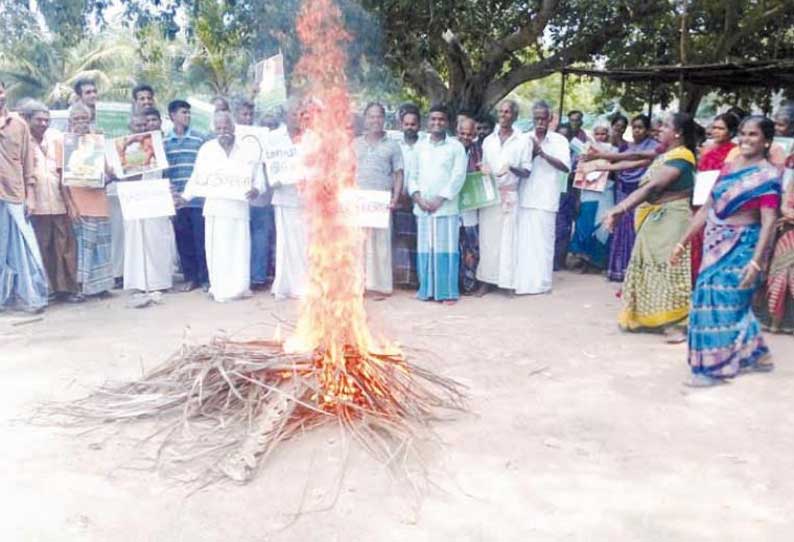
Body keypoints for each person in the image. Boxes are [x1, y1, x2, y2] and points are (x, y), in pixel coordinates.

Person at [671, 116, 780, 386]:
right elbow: (708, 207)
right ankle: (758, 355)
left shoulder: (768, 176)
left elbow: (768, 222)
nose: (745, 139)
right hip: (714, 243)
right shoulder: (729, 167)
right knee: (711, 300)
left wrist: (756, 263)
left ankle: (713, 370)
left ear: (766, 140)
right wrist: (682, 241)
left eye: (753, 134)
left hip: (744, 247)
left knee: (724, 305)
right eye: (743, 133)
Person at [603, 113, 698, 335]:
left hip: (672, 218)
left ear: (678, 133)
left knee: (668, 267)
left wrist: (619, 209)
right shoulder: (667, 154)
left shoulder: (683, 156)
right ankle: (647, 319)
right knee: (648, 266)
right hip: (654, 217)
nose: (659, 130)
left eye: (665, 126)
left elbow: (652, 187)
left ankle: (676, 323)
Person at [181, 111, 264, 302]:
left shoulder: (247, 149)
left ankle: (240, 288)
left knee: (239, 249)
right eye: (218, 128)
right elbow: (197, 177)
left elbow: (258, 175)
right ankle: (218, 288)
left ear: (233, 127)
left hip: (238, 207)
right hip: (215, 208)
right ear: (213, 130)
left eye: (226, 127)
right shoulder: (206, 149)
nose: (223, 131)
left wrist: (257, 189)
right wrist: (185, 197)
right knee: (217, 250)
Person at [407, 104, 467, 304]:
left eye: (441, 119)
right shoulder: (419, 146)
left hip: (446, 208)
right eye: (433, 119)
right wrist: (419, 198)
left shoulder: (456, 147)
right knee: (426, 249)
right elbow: (411, 176)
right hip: (423, 208)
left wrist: (439, 199)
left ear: (447, 122)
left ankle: (447, 292)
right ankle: (427, 290)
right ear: (428, 121)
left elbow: (458, 177)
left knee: (447, 250)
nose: (436, 123)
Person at [23, 100, 81, 303]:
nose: (43, 123)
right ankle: (48, 290)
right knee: (42, 248)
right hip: (35, 206)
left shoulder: (55, 139)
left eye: (46, 120)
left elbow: (64, 173)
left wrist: (70, 204)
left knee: (65, 248)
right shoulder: (23, 142)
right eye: (38, 119)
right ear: (27, 119)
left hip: (58, 202)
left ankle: (68, 289)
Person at [592, 115, 659, 281]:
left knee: (637, 230)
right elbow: (621, 165)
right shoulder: (626, 147)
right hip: (623, 191)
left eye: (641, 127)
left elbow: (635, 161)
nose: (637, 131)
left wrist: (602, 160)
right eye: (634, 127)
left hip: (642, 194)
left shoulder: (654, 147)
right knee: (620, 229)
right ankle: (618, 269)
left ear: (648, 130)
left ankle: (635, 272)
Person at [0, 83, 48, 313]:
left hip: (15, 196)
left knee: (26, 249)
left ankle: (32, 297)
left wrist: (31, 196)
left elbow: (29, 163)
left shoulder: (18, 125)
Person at [475, 100, 532, 295]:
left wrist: (511, 167)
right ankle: (486, 281)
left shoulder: (523, 140)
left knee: (508, 239)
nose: (504, 115)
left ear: (515, 116)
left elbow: (526, 171)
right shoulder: (488, 140)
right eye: (501, 112)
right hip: (489, 195)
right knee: (487, 239)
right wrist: (482, 169)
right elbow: (482, 165)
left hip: (510, 194)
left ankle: (507, 283)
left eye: (508, 112)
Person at [514, 101, 570, 294]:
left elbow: (565, 167)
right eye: (536, 119)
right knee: (524, 244)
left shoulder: (559, 141)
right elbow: (519, 168)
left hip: (546, 200)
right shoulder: (523, 139)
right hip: (524, 198)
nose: (540, 122)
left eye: (543, 119)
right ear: (532, 119)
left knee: (544, 244)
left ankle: (542, 284)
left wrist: (542, 154)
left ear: (550, 119)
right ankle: (524, 284)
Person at [120, 110, 176, 293]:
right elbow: (123, 178)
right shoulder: (123, 148)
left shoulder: (156, 145)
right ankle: (138, 283)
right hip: (135, 200)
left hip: (155, 200)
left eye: (145, 125)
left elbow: (166, 173)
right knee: (136, 241)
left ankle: (160, 282)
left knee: (157, 240)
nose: (142, 128)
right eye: (138, 126)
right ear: (130, 127)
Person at [63, 102, 114, 298]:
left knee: (100, 248)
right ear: (70, 122)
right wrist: (70, 204)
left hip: (98, 202)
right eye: (77, 119)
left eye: (84, 119)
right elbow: (62, 180)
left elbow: (108, 172)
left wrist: (107, 176)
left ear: (90, 120)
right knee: (82, 250)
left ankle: (100, 287)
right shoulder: (65, 144)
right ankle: (82, 288)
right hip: (79, 204)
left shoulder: (97, 143)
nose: (81, 123)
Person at [353, 102, 404, 297]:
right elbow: (346, 170)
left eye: (379, 116)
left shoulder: (392, 145)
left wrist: (395, 198)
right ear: (365, 119)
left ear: (384, 119)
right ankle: (358, 286)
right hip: (359, 201)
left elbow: (399, 174)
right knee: (358, 245)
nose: (375, 120)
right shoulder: (355, 144)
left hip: (381, 201)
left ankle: (381, 287)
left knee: (381, 246)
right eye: (371, 116)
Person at [164, 99, 208, 292]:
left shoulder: (200, 139)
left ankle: (206, 278)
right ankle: (191, 278)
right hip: (177, 200)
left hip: (198, 199)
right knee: (184, 240)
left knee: (202, 240)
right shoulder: (164, 142)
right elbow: (164, 172)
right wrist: (171, 193)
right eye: (183, 112)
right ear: (172, 116)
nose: (187, 116)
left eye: (189, 113)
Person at [690, 113, 738, 285]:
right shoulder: (707, 148)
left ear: (731, 132)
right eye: (714, 127)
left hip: (719, 202)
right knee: (695, 240)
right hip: (700, 199)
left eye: (721, 128)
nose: (715, 131)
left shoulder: (735, 151)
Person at [270, 99, 310, 300]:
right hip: (283, 197)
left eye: (301, 114)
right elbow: (267, 165)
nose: (297, 118)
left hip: (307, 199)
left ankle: (305, 285)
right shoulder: (274, 138)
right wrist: (272, 180)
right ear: (286, 116)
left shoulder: (313, 138)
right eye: (293, 114)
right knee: (285, 244)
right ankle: (284, 286)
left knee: (305, 243)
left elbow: (318, 166)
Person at [569, 121, 616, 272]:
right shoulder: (585, 150)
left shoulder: (614, 151)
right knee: (585, 225)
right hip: (588, 192)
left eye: (603, 133)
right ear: (593, 135)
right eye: (597, 133)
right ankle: (585, 259)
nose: (600, 137)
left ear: (608, 134)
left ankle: (597, 261)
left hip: (605, 192)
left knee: (601, 226)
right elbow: (579, 173)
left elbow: (616, 172)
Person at [392, 104, 422, 288]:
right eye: (406, 124)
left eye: (413, 124)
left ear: (419, 125)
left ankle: (417, 279)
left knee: (418, 240)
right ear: (401, 125)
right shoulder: (396, 146)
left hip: (420, 199)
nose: (410, 127)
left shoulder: (425, 145)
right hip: (401, 198)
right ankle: (402, 280)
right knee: (402, 239)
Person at [456, 117, 482, 294]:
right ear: (457, 132)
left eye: (469, 134)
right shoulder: (450, 149)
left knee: (471, 248)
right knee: (453, 247)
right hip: (451, 208)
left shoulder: (479, 151)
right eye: (462, 133)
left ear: (475, 135)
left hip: (471, 209)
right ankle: (454, 283)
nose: (466, 137)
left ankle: (469, 283)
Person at [553, 123, 577, 271]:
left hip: (567, 194)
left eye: (566, 136)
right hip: (551, 193)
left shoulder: (576, 155)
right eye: (560, 136)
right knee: (551, 227)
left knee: (563, 228)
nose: (563, 139)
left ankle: (559, 260)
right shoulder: (551, 152)